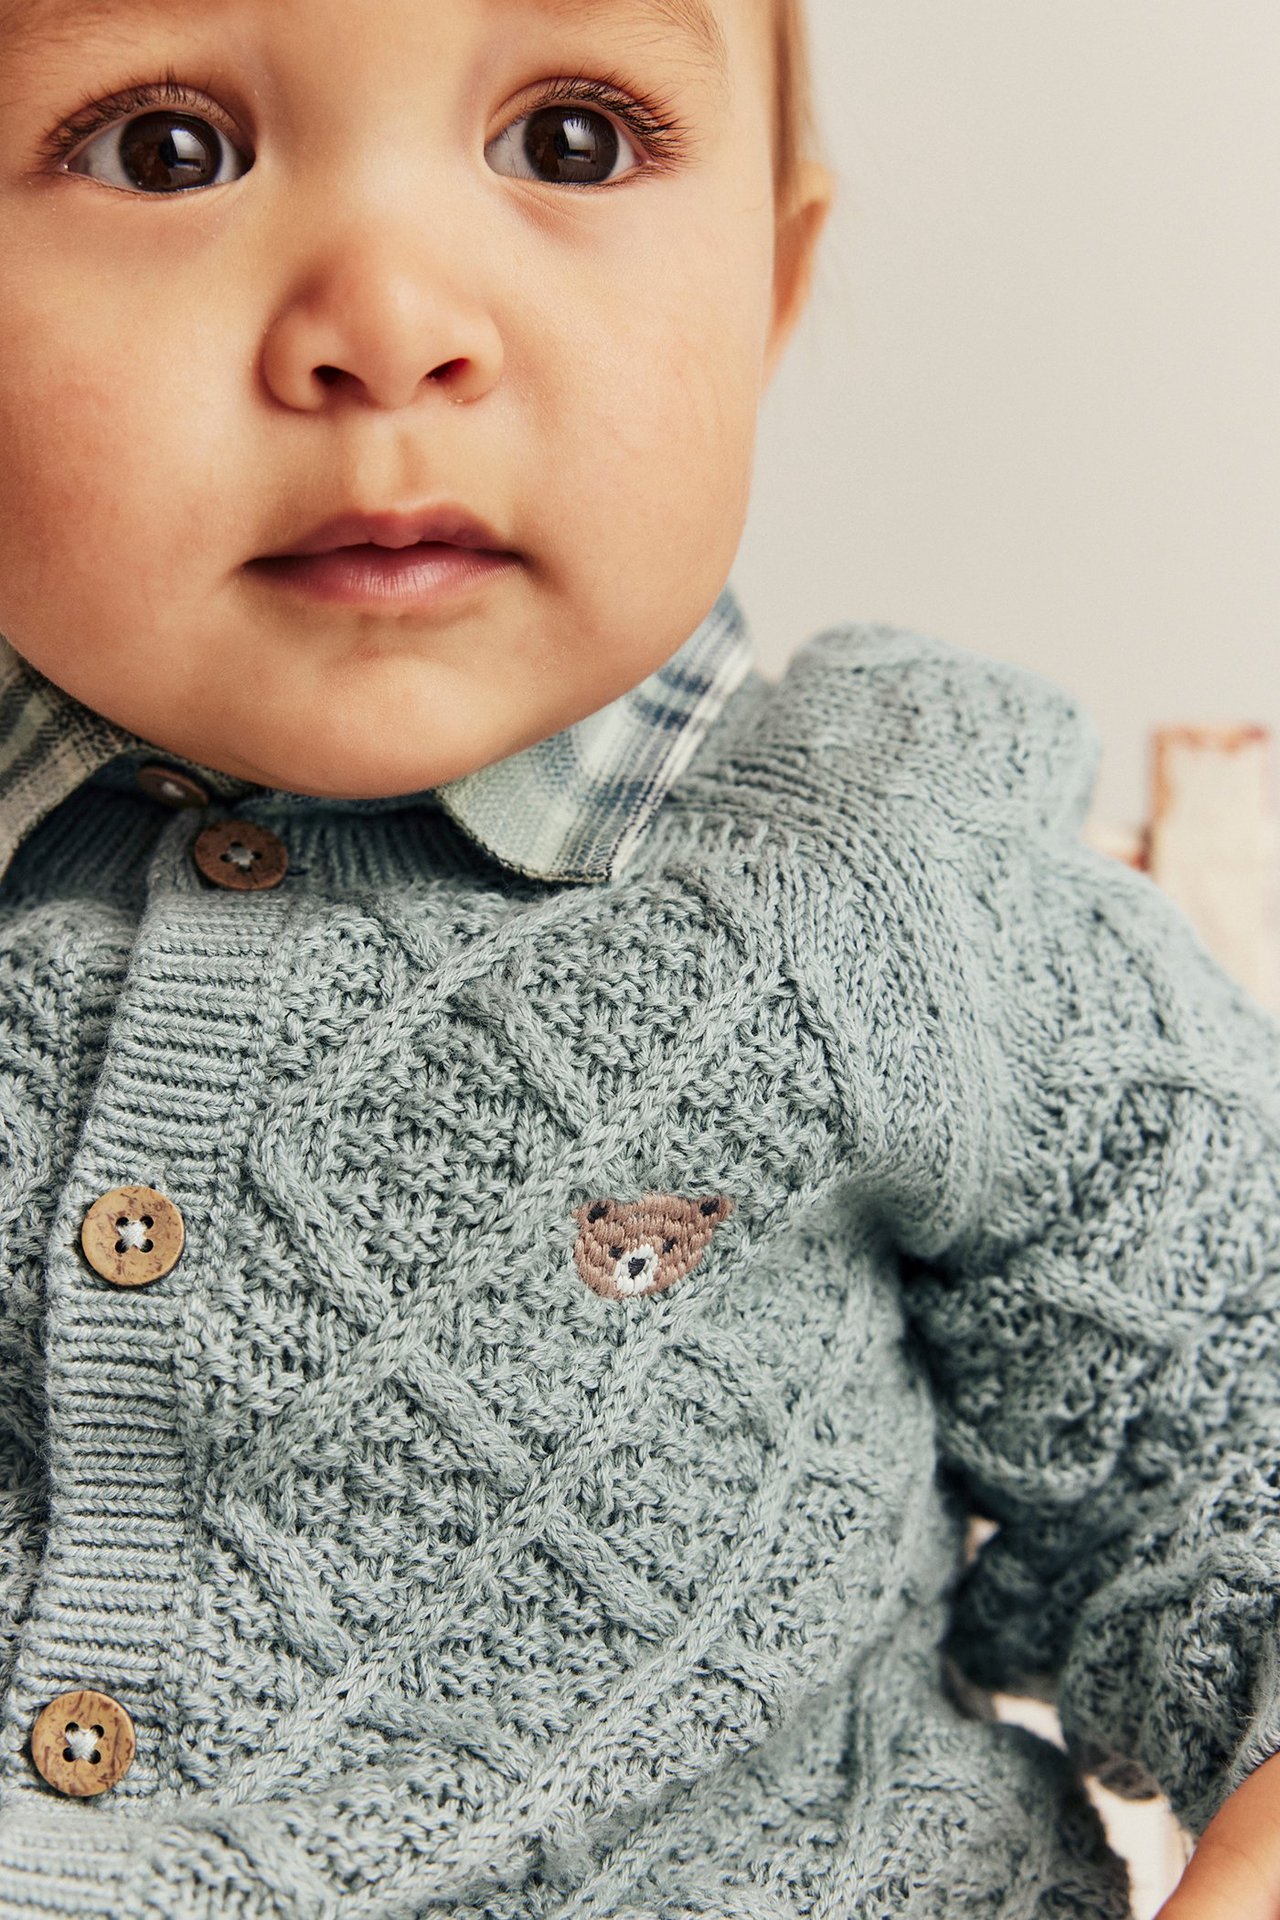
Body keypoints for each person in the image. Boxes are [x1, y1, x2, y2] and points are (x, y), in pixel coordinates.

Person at [0, 0, 1275, 1912]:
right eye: (164, 148)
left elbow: (1244, 1473)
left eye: (571, 140)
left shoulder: (889, 887)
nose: (390, 321)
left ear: (769, 284)